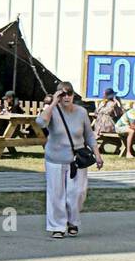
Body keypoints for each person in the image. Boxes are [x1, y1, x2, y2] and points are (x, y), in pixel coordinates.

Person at [36, 82, 101, 240]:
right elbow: (40, 122)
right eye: (62, 94)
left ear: (73, 95)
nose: (66, 97)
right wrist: (52, 104)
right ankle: (57, 226)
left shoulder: (81, 112)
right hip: (54, 159)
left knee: (77, 193)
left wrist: (97, 154)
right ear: (57, 95)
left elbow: (89, 135)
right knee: (56, 194)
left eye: (69, 93)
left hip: (76, 159)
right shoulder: (52, 111)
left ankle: (73, 221)